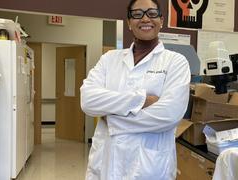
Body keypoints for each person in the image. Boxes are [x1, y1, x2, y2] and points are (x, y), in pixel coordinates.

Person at [80, 0, 190, 179]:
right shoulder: (109, 59)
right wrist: (142, 99)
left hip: (148, 168)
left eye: (152, 13)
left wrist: (112, 118)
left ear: (161, 20)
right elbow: (88, 100)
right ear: (129, 22)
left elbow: (169, 115)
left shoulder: (175, 62)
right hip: (106, 162)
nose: (145, 19)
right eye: (137, 14)